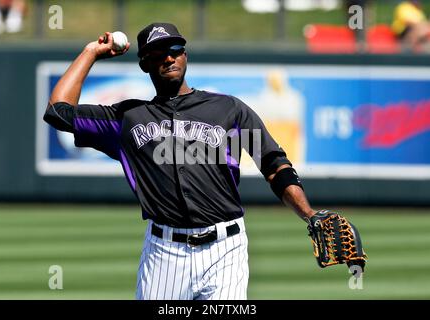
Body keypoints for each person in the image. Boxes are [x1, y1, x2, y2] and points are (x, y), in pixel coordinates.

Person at [43, 22, 320, 300]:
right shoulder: (127, 118)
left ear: (185, 55)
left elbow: (274, 166)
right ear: (144, 64)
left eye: (175, 49)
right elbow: (57, 111)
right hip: (164, 254)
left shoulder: (229, 109)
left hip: (226, 251)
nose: (168, 57)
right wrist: (91, 52)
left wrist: (309, 215)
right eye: (158, 52)